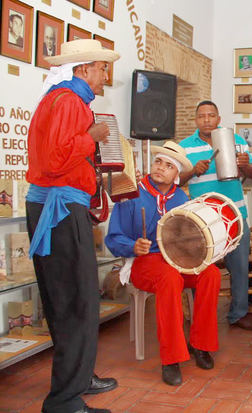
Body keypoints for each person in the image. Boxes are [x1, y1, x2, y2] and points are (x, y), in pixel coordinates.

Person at [25, 39, 120, 413]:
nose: (105, 76)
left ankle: (78, 379)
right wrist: (91, 138)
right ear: (83, 70)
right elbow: (54, 160)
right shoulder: (68, 101)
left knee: (74, 298)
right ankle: (64, 400)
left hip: (60, 207)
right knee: (75, 301)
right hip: (59, 209)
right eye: (101, 68)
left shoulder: (65, 99)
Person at [105, 141, 221, 386]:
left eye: (169, 165)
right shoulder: (131, 192)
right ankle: (171, 358)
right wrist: (132, 246)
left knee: (210, 274)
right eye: (158, 161)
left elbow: (187, 237)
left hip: (176, 260)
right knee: (170, 279)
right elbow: (113, 238)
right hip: (144, 262)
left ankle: (201, 344)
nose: (160, 168)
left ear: (177, 174)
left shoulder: (180, 197)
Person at [179, 101, 252, 330]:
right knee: (202, 269)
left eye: (211, 115)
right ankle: (201, 317)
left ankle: (238, 313)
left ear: (218, 118)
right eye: (202, 115)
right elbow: (176, 180)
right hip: (203, 219)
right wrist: (193, 171)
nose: (206, 119)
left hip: (235, 214)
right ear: (196, 120)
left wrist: (245, 165)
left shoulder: (237, 141)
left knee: (240, 266)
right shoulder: (185, 147)